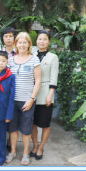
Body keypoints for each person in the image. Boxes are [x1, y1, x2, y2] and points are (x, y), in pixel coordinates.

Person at [6, 32, 41, 165]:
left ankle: (25, 153)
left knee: (26, 129)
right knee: (13, 128)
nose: (22, 44)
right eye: (19, 42)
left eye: (24, 42)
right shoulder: (10, 60)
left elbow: (38, 81)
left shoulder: (34, 59)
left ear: (29, 44)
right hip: (12, 100)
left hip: (27, 100)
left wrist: (32, 99)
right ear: (15, 44)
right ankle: (13, 151)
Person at [30, 30, 59, 160]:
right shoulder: (31, 54)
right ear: (36, 41)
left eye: (45, 39)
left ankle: (41, 147)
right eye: (40, 39)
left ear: (49, 41)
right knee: (32, 123)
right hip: (31, 93)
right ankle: (35, 146)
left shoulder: (53, 57)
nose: (42, 41)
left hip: (46, 92)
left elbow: (54, 77)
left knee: (45, 124)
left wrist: (50, 94)